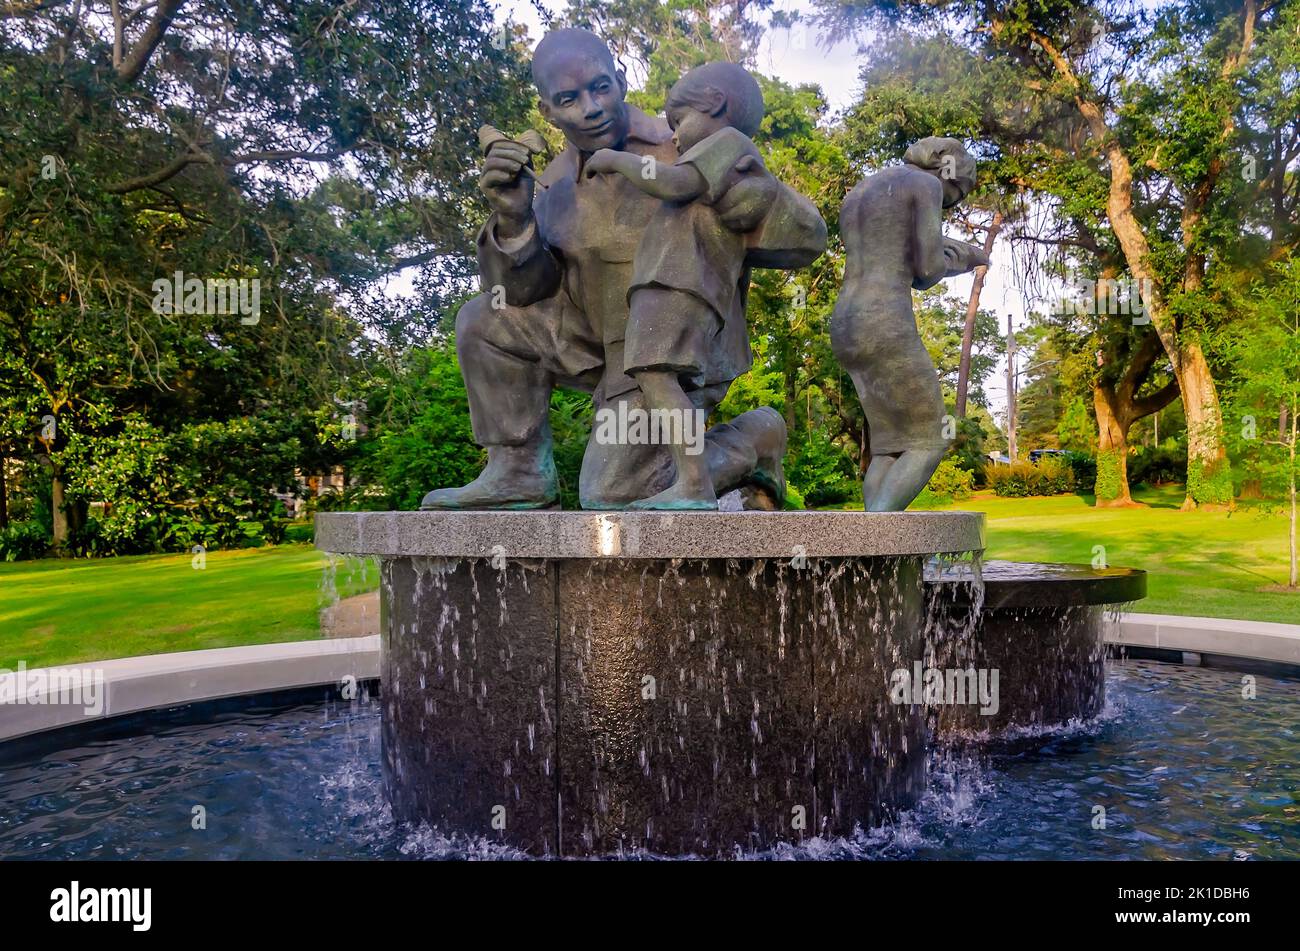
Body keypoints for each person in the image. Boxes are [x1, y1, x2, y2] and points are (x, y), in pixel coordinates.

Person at [419, 28, 826, 511]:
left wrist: (752, 201)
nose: (590, 107)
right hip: (592, 341)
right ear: (547, 112)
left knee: (613, 493)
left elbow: (805, 239)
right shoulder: (550, 187)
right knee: (482, 319)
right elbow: (523, 291)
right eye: (568, 99)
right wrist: (513, 219)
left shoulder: (689, 141)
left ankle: (756, 438)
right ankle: (518, 470)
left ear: (623, 79)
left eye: (600, 87)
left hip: (673, 351)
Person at [583, 62, 773, 509]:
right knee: (655, 378)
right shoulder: (720, 152)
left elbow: (674, 180)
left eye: (678, 121)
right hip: (664, 288)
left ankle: (694, 482)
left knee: (657, 377)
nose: (673, 137)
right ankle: (692, 479)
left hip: (680, 289)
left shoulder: (728, 144)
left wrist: (618, 160)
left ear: (716, 105)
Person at [831, 136, 989, 512]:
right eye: (957, 191)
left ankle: (873, 550)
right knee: (931, 439)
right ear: (947, 169)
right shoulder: (926, 184)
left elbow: (891, 247)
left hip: (846, 324)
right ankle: (874, 544)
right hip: (885, 319)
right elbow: (927, 270)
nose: (953, 200)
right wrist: (965, 257)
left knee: (890, 444)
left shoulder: (862, 192)